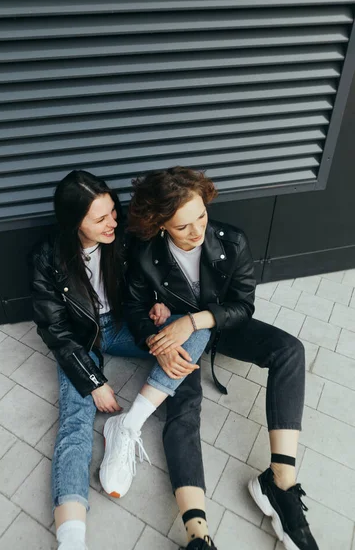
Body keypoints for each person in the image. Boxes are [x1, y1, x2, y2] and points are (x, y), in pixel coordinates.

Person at [118, 166, 318, 550]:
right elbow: (134, 309)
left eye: (201, 217)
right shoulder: (144, 253)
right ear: (161, 225)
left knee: (290, 350)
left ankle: (280, 483)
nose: (197, 232)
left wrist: (193, 321)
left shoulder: (232, 241)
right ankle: (197, 534)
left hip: (221, 327)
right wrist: (157, 341)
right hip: (179, 339)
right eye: (182, 227)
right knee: (185, 404)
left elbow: (243, 305)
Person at [30, 170, 211, 550]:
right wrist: (94, 380)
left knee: (196, 330)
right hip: (83, 341)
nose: (113, 222)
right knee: (75, 422)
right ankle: (71, 538)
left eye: (113, 211)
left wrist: (157, 307)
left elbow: (148, 282)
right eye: (100, 218)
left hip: (126, 326)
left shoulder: (126, 234)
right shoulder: (48, 257)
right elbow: (56, 332)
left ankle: (127, 426)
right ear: (74, 222)